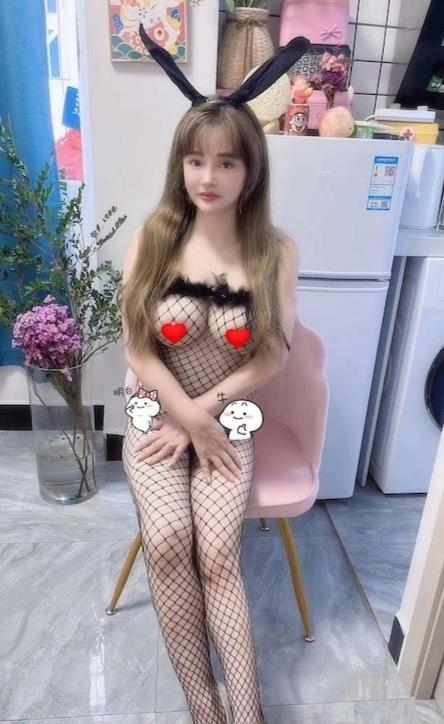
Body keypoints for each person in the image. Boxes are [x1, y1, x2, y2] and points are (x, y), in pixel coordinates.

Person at [119, 27, 308, 724]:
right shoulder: (153, 238)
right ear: (180, 164)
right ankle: (204, 706)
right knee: (170, 540)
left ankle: (247, 713)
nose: (208, 176)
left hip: (229, 417)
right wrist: (184, 416)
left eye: (226, 162)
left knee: (220, 550)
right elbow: (138, 350)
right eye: (196, 160)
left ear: (250, 171)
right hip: (156, 411)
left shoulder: (275, 251)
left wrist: (205, 416)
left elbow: (273, 355)